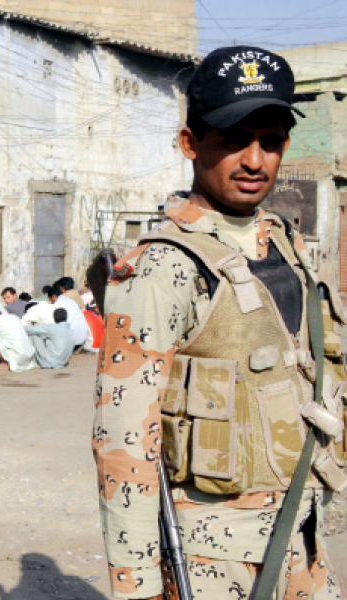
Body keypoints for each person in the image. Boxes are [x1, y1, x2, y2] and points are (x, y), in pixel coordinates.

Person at [94, 46, 344, 600]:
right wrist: (137, 587)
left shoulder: (285, 242)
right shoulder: (162, 267)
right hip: (212, 559)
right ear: (191, 143)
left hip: (300, 536)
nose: (255, 161)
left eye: (271, 141)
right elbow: (123, 442)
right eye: (233, 140)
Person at [51, 286, 89, 350]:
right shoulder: (71, 301)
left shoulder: (57, 304)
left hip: (71, 343)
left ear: (53, 296)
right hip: (82, 339)